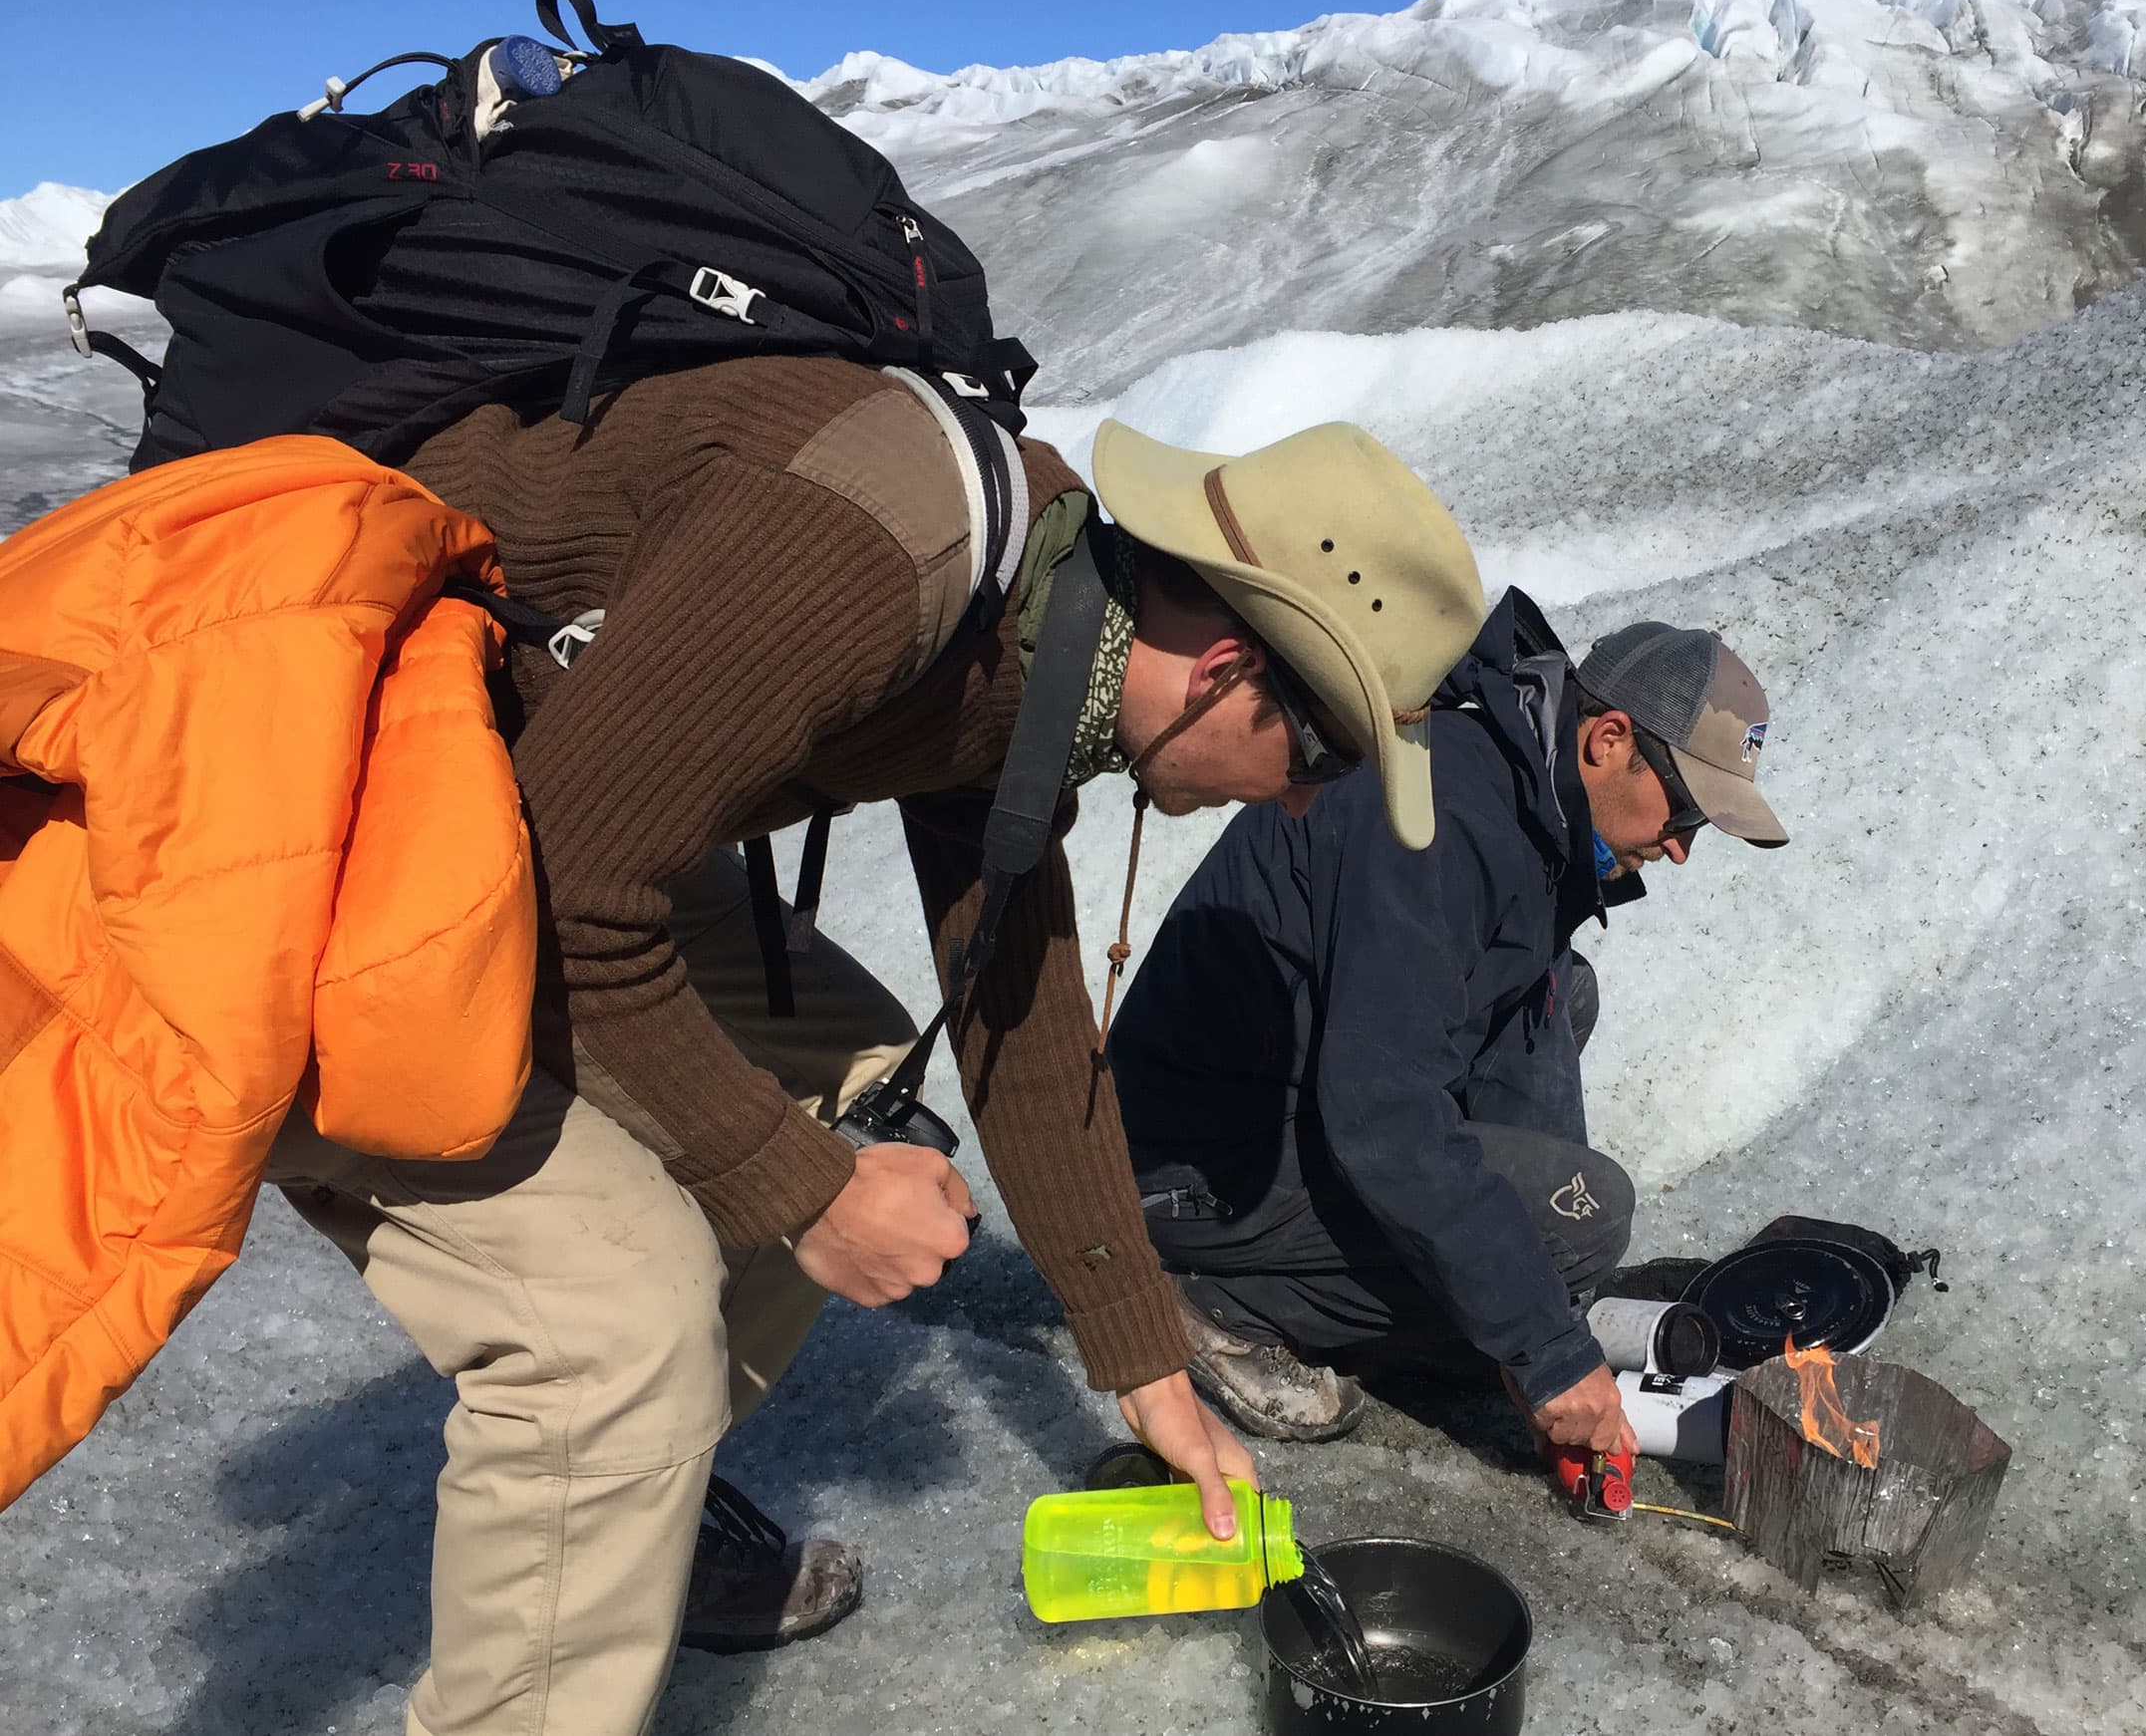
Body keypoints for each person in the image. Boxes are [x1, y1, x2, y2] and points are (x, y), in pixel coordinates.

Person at [261, 357, 1487, 1736]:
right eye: (1322, 763)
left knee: (855, 1085)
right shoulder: (871, 557)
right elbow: (564, 897)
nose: (1306, 809)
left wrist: (1144, 1359)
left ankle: (619, 1516)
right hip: (305, 813)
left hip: (523, 806)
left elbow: (1017, 1001)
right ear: (1226, 672)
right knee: (623, 1327)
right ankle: (595, 1477)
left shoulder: (1050, 620)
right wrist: (804, 1192)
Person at [1104, 591, 1788, 1454]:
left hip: (1289, 1106)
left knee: (1563, 1005)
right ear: (1609, 738)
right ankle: (1216, 1304)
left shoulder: (1524, 803)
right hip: (1189, 1167)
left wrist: (1548, 1294)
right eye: (1684, 809)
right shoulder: (1444, 819)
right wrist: (1544, 1342)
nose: (1682, 846)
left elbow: (1512, 1045)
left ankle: (1423, 1309)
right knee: (1578, 1226)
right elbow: (1383, 1111)